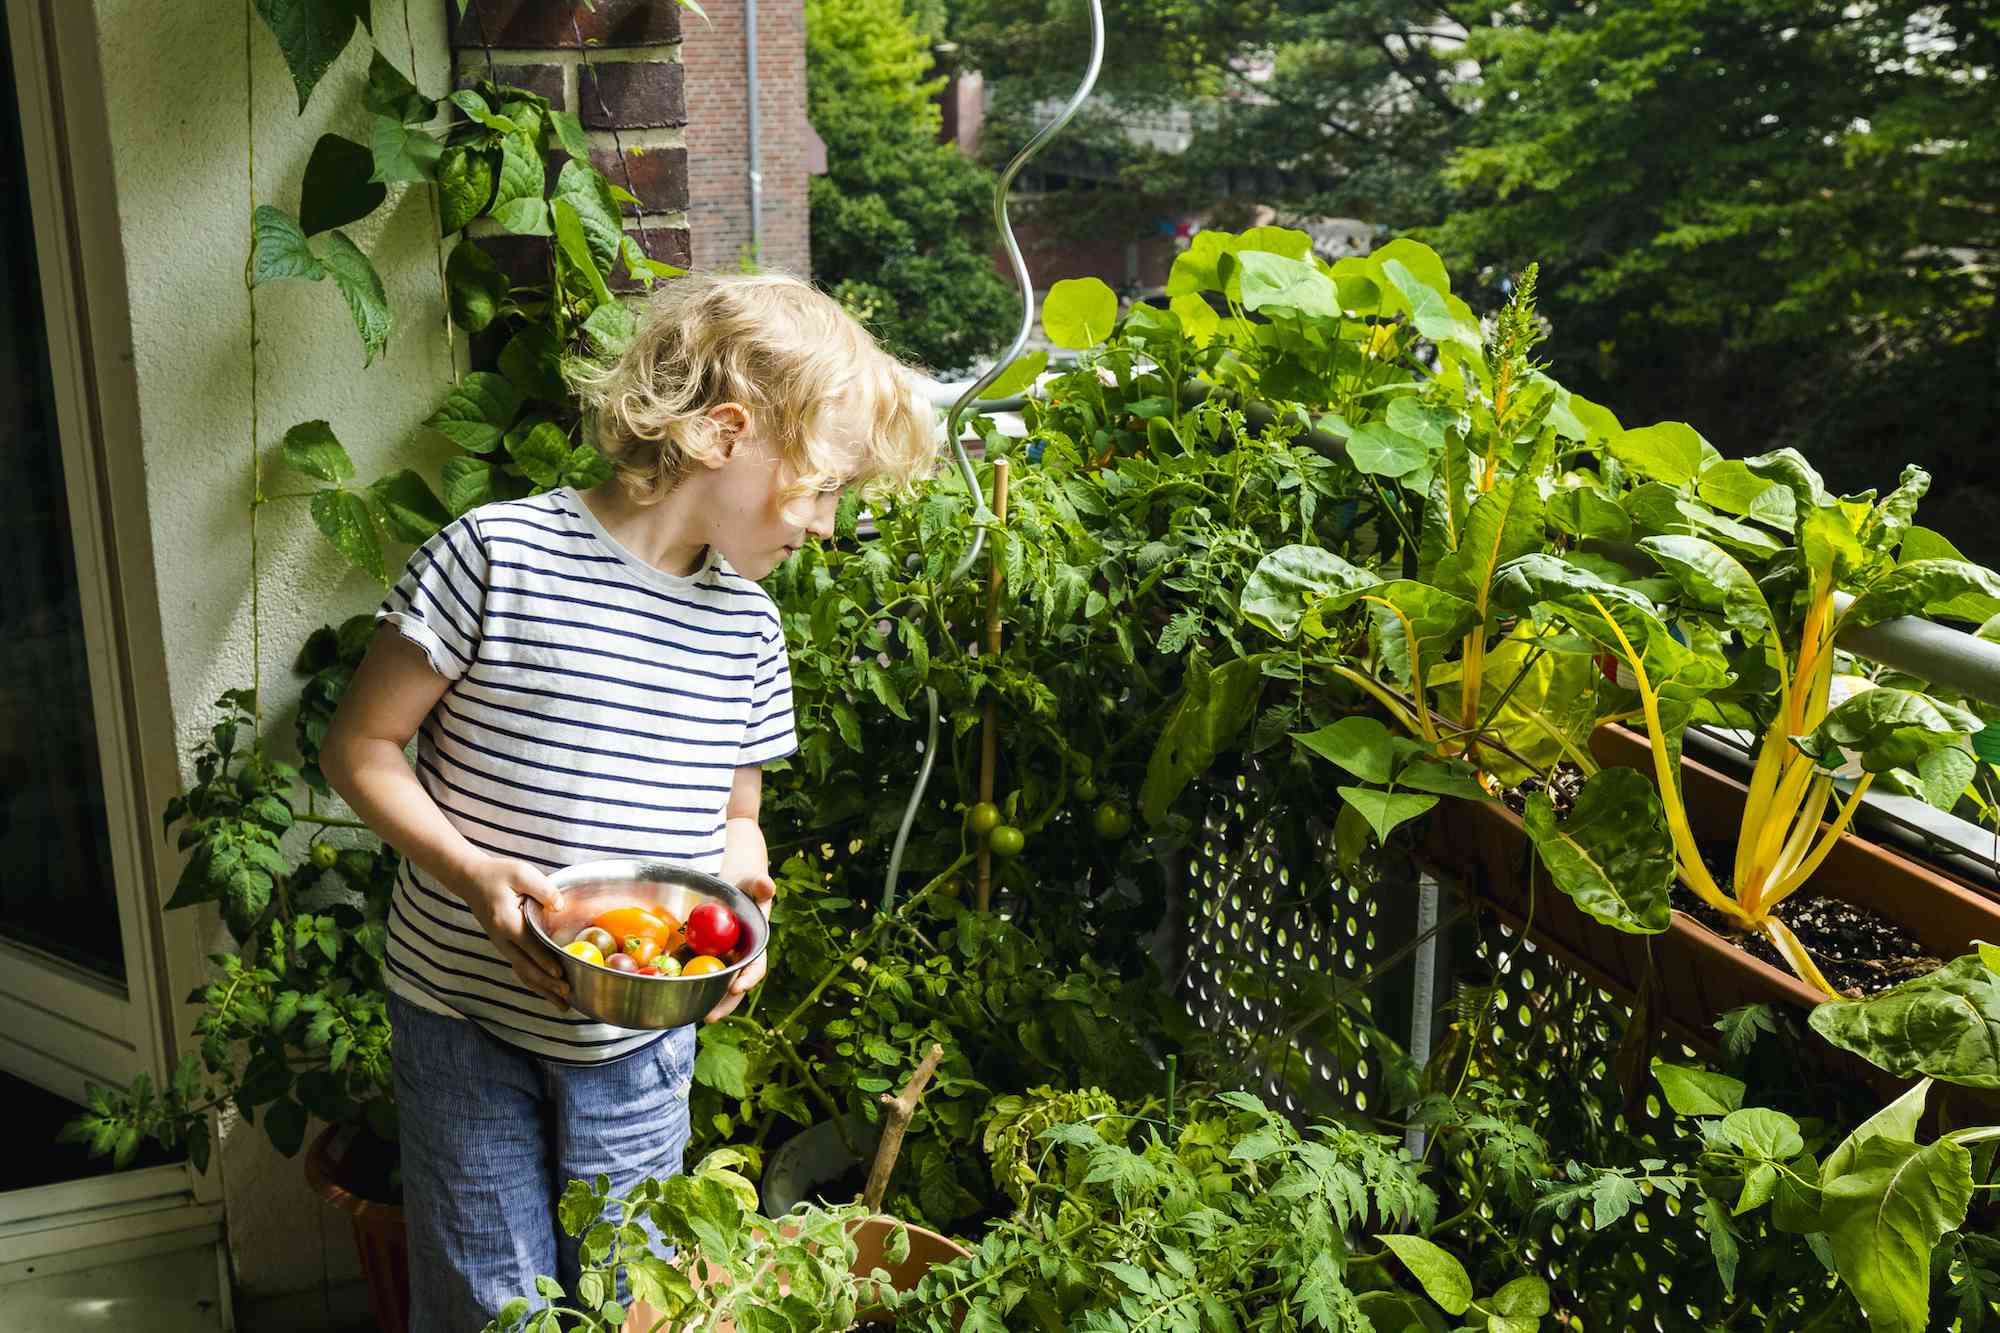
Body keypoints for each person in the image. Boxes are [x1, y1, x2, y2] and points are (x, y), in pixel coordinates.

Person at [321, 271, 939, 1332]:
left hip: (640, 1041)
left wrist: (744, 888)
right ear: (725, 435)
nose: (830, 527)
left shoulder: (747, 632)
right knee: (489, 1304)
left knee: (629, 1290)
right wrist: (472, 872)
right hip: (463, 1012)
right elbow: (362, 749)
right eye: (824, 486)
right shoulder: (497, 559)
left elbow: (734, 815)